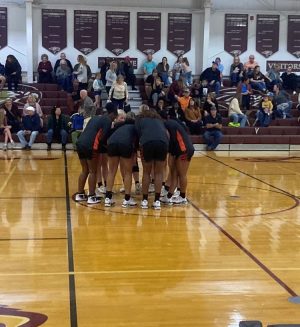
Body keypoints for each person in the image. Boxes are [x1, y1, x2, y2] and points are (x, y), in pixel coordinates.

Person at [75, 103, 118, 205]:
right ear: (112, 114)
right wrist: (108, 148)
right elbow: (102, 138)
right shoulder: (107, 120)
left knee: (84, 170)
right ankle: (91, 196)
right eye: (114, 118)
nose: (114, 120)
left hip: (80, 143)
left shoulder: (94, 118)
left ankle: (80, 194)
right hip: (90, 145)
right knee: (93, 171)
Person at [135, 106, 169, 210]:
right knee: (159, 173)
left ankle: (145, 200)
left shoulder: (140, 120)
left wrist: (137, 148)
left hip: (147, 143)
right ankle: (157, 201)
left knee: (146, 172)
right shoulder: (159, 121)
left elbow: (137, 135)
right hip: (163, 143)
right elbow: (166, 134)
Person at [160, 115, 194, 205]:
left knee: (181, 174)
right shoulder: (171, 123)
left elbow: (171, 140)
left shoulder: (167, 125)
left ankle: (183, 197)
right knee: (174, 173)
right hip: (180, 149)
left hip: (184, 150)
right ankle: (169, 196)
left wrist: (170, 153)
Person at [104, 118, 138, 208]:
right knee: (128, 172)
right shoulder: (135, 128)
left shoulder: (119, 126)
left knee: (111, 171)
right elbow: (136, 143)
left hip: (111, 143)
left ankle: (107, 198)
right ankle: (127, 199)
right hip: (125, 144)